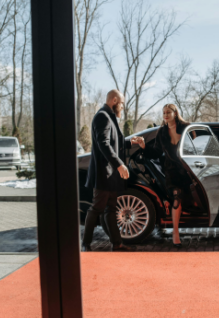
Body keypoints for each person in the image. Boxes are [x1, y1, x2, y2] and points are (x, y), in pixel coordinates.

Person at [81, 89, 144, 252]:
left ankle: (117, 244)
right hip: (104, 174)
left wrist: (132, 142)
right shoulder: (103, 116)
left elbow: (118, 142)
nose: (122, 107)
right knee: (96, 208)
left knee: (110, 209)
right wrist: (119, 164)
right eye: (122, 103)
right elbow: (104, 144)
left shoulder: (109, 117)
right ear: (115, 101)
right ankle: (86, 244)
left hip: (111, 175)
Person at [137, 103, 194, 248]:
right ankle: (175, 233)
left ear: (175, 113)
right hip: (172, 171)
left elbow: (197, 147)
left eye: (168, 112)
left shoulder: (187, 127)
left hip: (188, 169)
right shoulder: (161, 132)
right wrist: (144, 146)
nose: (165, 115)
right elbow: (156, 152)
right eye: (163, 113)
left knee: (188, 199)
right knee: (176, 197)